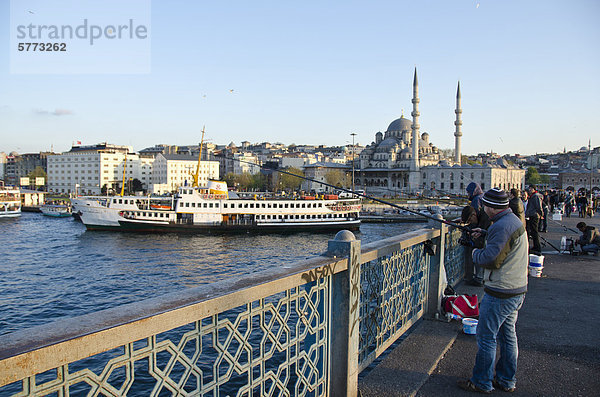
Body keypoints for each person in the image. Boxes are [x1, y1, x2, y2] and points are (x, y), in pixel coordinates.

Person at [457, 188, 528, 394]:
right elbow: (506, 243)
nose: (481, 208)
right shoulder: (511, 220)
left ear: (490, 207)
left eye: (483, 205)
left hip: (501, 291)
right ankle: (506, 380)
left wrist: (476, 252)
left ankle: (482, 382)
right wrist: (486, 233)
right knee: (508, 336)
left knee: (486, 337)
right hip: (516, 289)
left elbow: (492, 260)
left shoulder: (502, 226)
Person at [461, 205, 490, 287]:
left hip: (486, 242)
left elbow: (487, 231)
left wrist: (479, 233)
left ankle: (479, 278)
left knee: (479, 252)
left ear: (473, 214)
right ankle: (478, 277)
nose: (471, 222)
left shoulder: (485, 217)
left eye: (470, 220)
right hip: (484, 240)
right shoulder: (480, 214)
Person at [525, 185, 543, 255]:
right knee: (533, 231)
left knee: (534, 232)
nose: (529, 190)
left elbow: (538, 206)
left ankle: (537, 247)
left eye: (530, 188)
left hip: (534, 215)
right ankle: (536, 246)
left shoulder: (535, 196)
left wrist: (541, 214)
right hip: (532, 215)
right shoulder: (533, 196)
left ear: (533, 189)